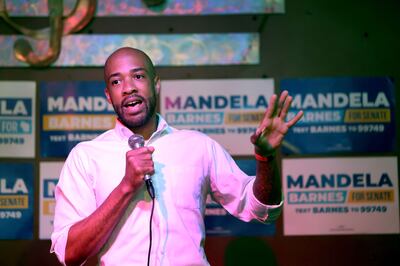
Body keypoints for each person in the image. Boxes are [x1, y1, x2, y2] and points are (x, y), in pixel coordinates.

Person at [50, 47, 303, 266]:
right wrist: (126, 187)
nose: (128, 88)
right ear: (108, 95)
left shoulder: (198, 146)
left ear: (156, 83)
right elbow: (70, 254)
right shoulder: (86, 156)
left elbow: (262, 210)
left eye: (138, 76)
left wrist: (265, 157)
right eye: (116, 82)